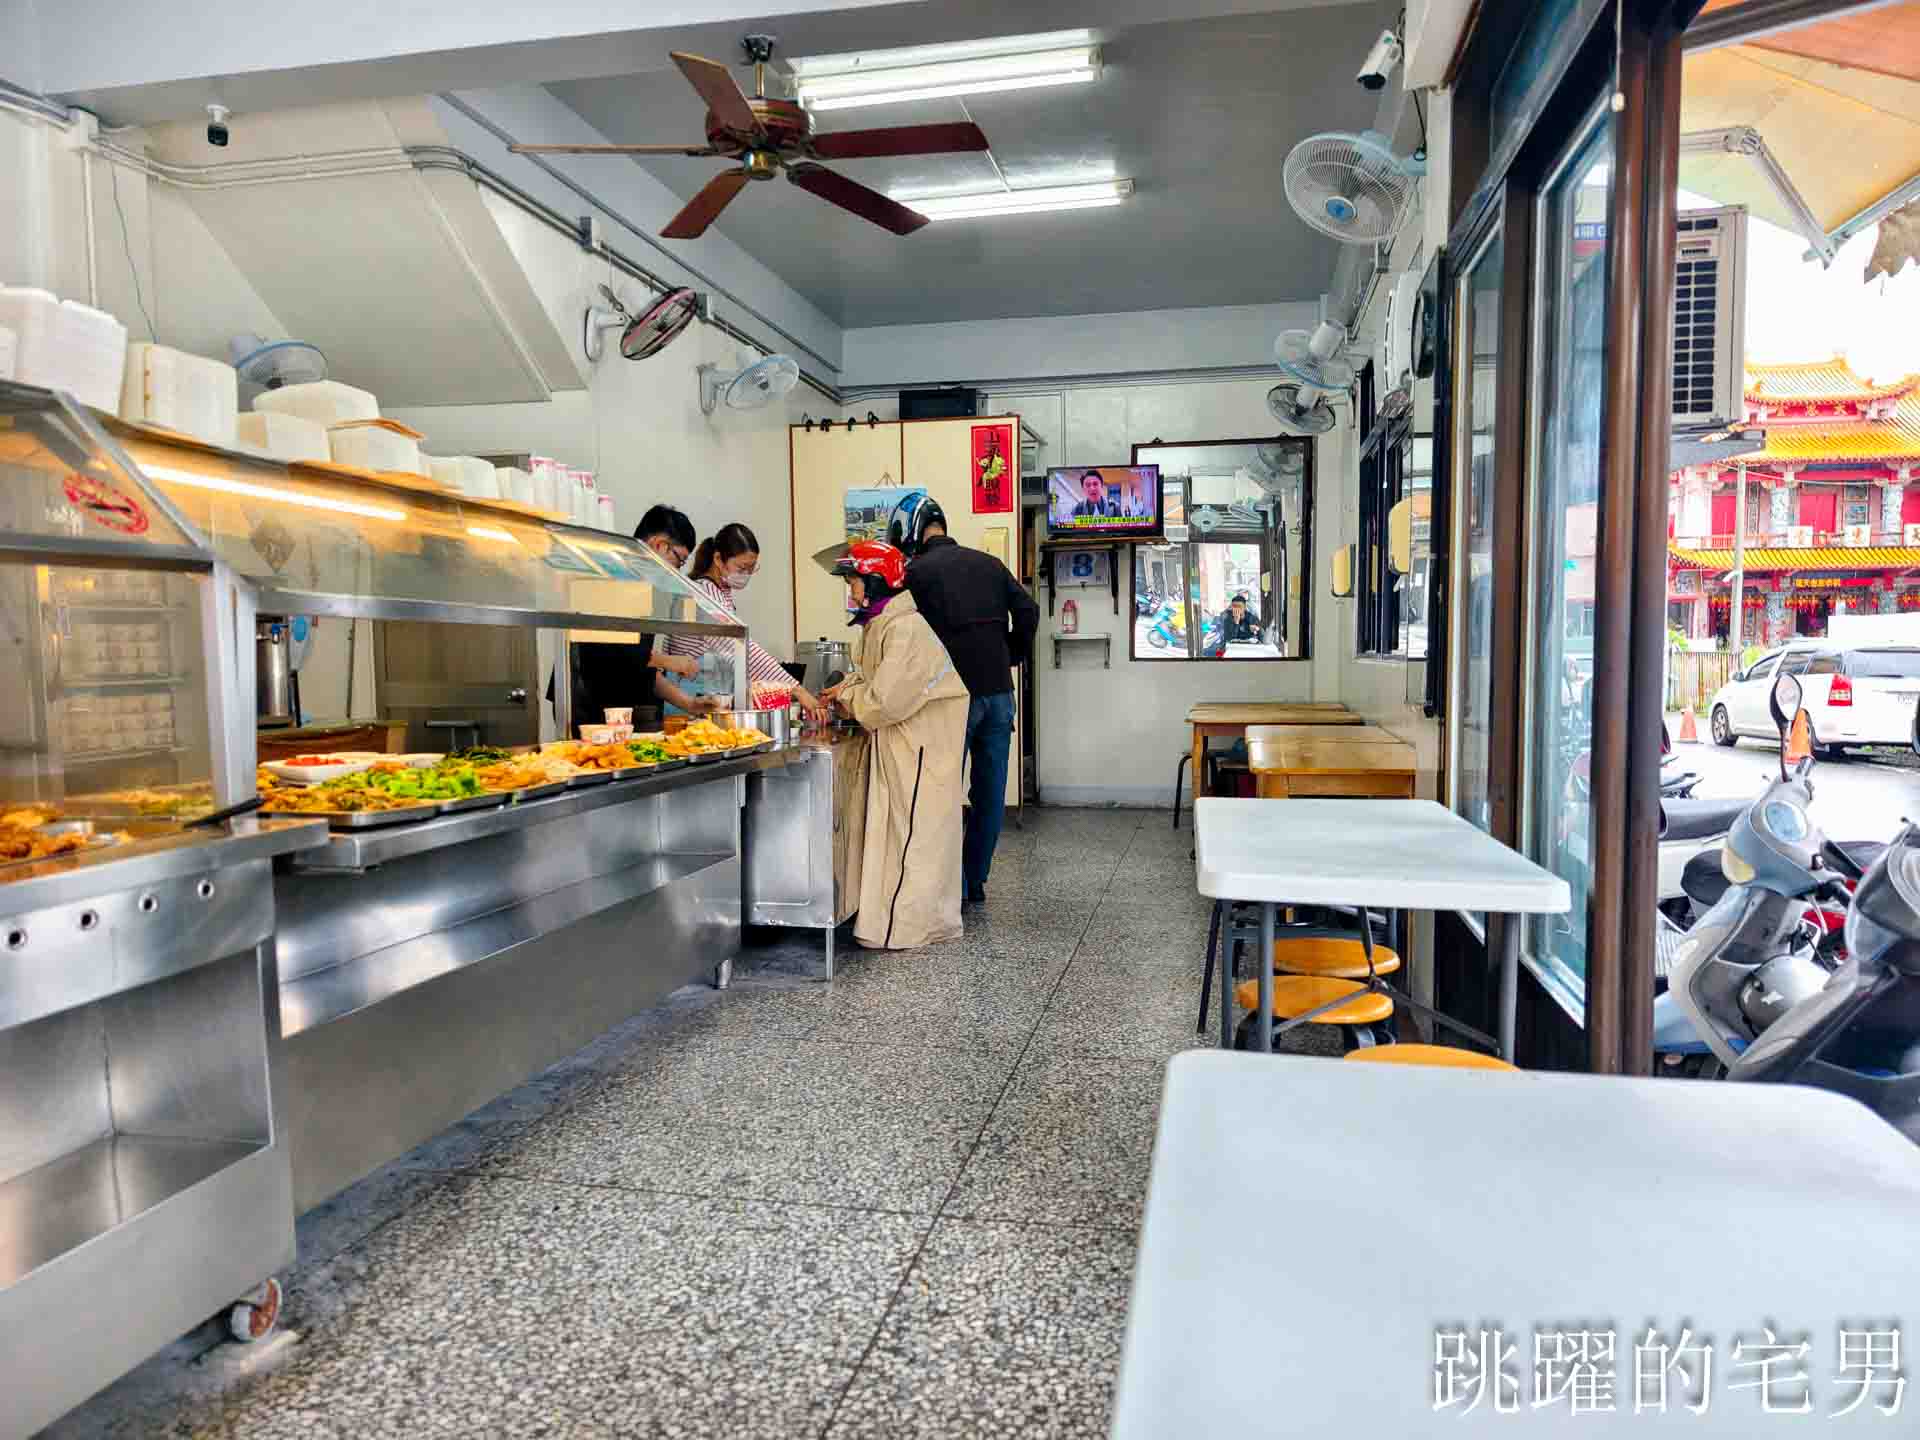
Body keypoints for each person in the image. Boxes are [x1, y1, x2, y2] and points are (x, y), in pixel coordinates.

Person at [827, 540, 969, 949]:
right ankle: (891, 924)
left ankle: (910, 929)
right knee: (904, 834)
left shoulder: (905, 628)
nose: (850, 590)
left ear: (875, 581)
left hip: (922, 748)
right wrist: (845, 688)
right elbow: (869, 678)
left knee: (915, 838)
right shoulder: (882, 624)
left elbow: (882, 703)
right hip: (907, 744)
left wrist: (845, 696)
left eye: (853, 582)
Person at [905, 501, 1038, 905]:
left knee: (944, 794)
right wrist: (1012, 653)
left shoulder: (915, 572)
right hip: (998, 693)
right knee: (990, 794)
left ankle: (953, 887)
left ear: (915, 535)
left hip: (952, 697)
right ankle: (975, 881)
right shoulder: (990, 564)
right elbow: (1028, 609)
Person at [549, 505, 725, 722]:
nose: (677, 570)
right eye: (679, 560)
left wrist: (689, 704)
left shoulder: (643, 586)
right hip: (584, 700)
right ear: (659, 544)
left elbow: (639, 666)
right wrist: (669, 661)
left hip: (614, 704)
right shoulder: (613, 574)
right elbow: (614, 653)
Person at [668, 523, 828, 721]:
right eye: (742, 568)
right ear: (718, 559)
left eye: (751, 569)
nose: (746, 575)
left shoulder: (718, 592)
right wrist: (797, 690)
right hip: (687, 701)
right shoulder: (702, 595)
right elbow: (741, 648)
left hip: (706, 698)